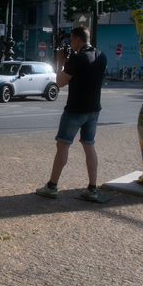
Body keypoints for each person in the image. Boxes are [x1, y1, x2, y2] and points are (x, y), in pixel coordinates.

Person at [36, 26, 107, 200]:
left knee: (63, 145)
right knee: (89, 146)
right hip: (94, 109)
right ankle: (92, 188)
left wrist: (61, 62)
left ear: (78, 39)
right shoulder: (101, 56)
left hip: (75, 109)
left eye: (71, 40)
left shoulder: (77, 58)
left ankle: (52, 186)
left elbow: (60, 83)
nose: (70, 44)